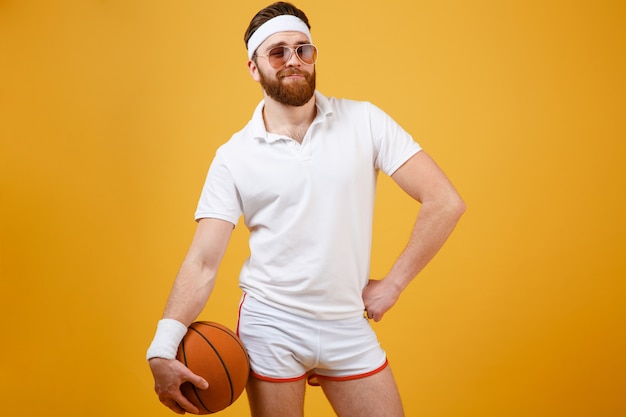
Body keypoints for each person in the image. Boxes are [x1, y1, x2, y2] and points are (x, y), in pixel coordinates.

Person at [146, 2, 465, 416]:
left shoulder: (364, 121)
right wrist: (161, 347)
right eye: (277, 51)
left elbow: (445, 202)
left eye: (303, 49)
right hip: (271, 326)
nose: (293, 60)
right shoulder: (233, 156)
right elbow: (203, 261)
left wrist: (395, 284)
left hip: (347, 323)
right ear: (253, 67)